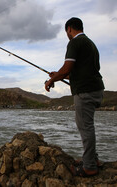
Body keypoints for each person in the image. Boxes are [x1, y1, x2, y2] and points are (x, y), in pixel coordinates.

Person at [45, 17, 104, 177]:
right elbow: (79, 72)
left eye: (67, 32)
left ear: (69, 29)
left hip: (85, 91)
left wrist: (51, 80)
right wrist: (57, 75)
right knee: (88, 126)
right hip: (95, 89)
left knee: (85, 127)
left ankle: (90, 166)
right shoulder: (91, 44)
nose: (67, 35)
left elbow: (67, 68)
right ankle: (92, 159)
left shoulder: (75, 43)